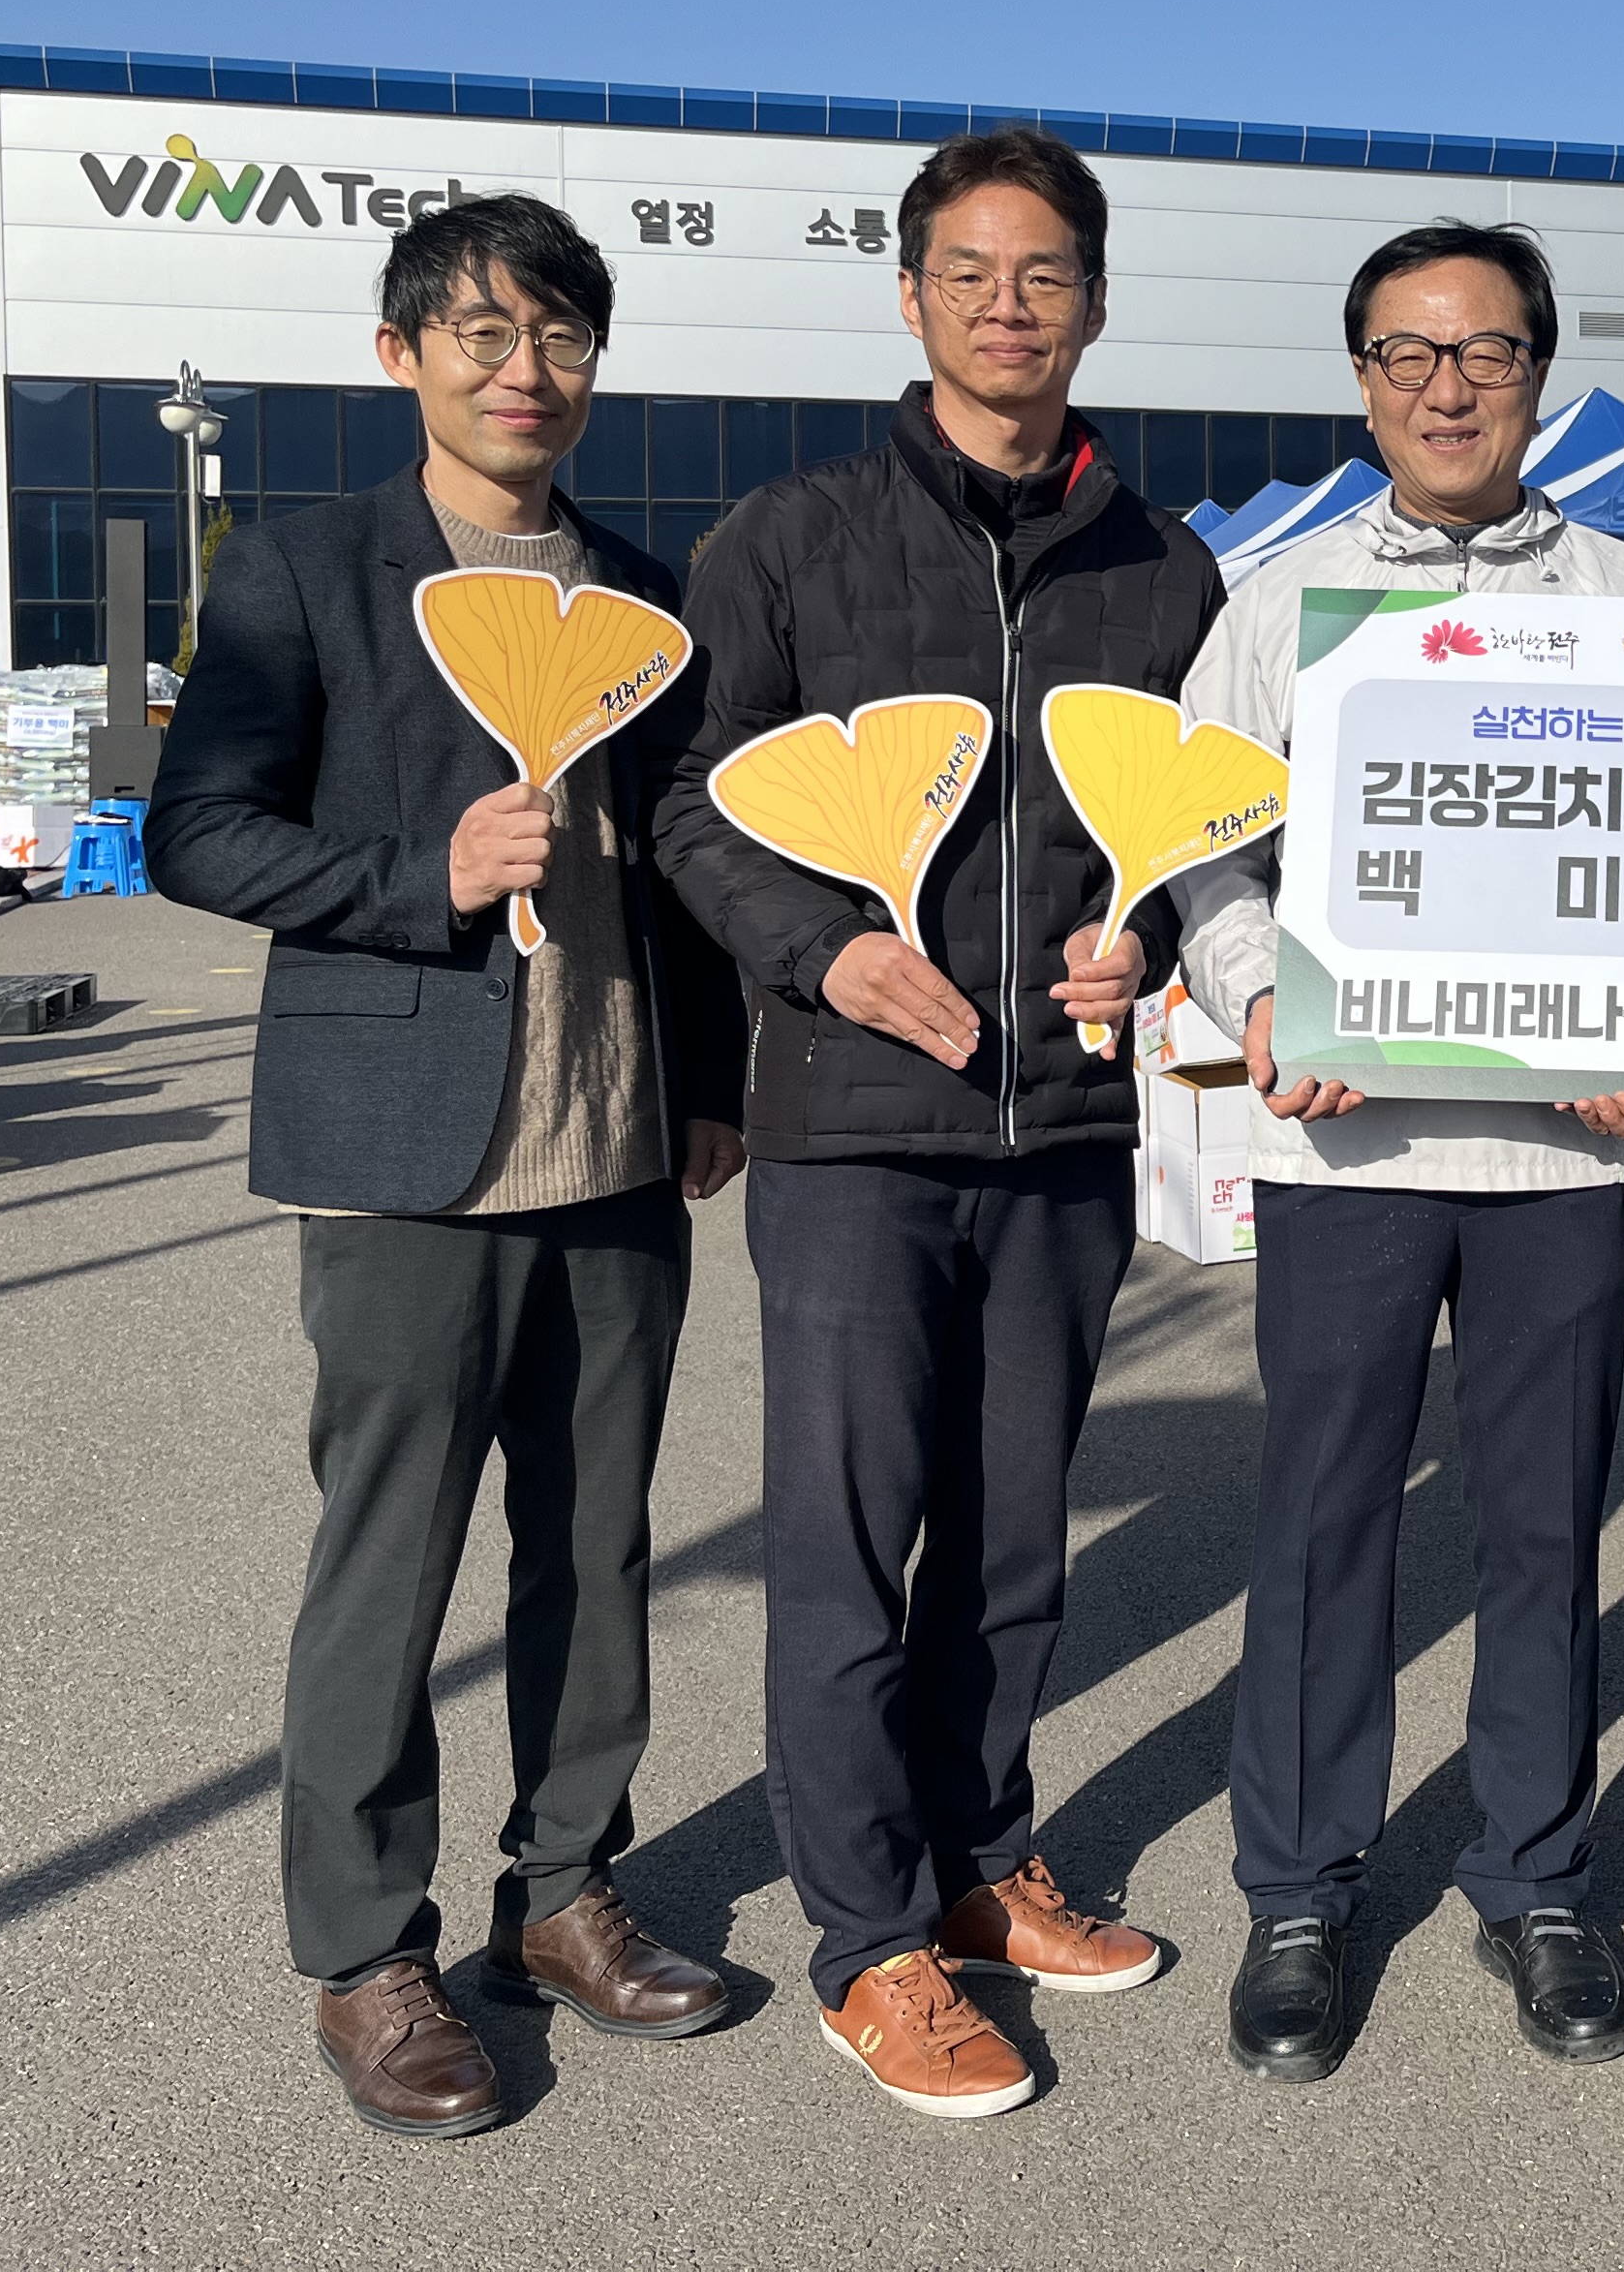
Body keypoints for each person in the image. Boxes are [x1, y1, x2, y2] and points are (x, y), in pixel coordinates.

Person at [145, 193, 749, 2139]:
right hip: (407, 1155)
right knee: (388, 1563)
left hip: (618, 1143)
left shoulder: (644, 593)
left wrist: (714, 1077)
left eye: (560, 334)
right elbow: (197, 829)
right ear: (401, 354)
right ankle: (363, 1949)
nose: (526, 369)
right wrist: (427, 877)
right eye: (484, 332)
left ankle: (562, 1889)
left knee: (597, 1544)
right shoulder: (309, 565)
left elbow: (686, 859)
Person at [650, 126, 1223, 2120]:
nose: (1007, 303)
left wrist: (1149, 941)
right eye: (968, 270)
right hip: (853, 1128)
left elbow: (1199, 821)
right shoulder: (789, 538)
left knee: (1009, 1543)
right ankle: (869, 1937)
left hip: (1062, 1128)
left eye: (1043, 271)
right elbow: (691, 798)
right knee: (845, 1547)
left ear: (1092, 301)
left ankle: (983, 1860)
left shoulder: (1166, 565)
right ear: (908, 296)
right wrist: (820, 953)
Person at [1174, 221, 1624, 2084]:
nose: (1446, 386)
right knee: (1324, 1524)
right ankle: (1300, 1887)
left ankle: (1535, 1872)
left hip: (1563, 1162)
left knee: (1544, 1523)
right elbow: (1206, 851)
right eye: (1408, 352)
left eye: (1484, 352)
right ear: (1362, 379)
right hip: (1349, 1148)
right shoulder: (1279, 600)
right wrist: (1256, 993)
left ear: (1537, 370)